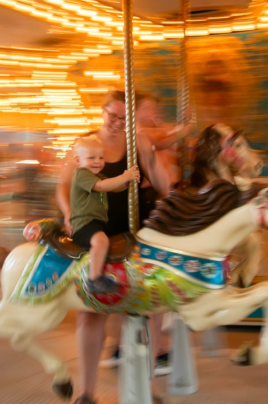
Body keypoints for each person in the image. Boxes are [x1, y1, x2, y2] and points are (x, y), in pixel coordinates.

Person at [56, 91, 172, 404]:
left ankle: (148, 388)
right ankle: (87, 391)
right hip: (96, 231)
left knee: (146, 309)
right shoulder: (84, 145)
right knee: (91, 314)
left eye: (124, 118)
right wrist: (68, 213)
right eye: (113, 115)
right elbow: (63, 186)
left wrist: (149, 150)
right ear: (103, 112)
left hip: (130, 232)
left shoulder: (136, 141)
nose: (117, 122)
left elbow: (164, 185)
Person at [70, 135, 140, 294]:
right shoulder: (81, 174)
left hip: (95, 223)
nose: (97, 161)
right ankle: (94, 279)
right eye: (91, 157)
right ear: (78, 160)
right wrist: (124, 176)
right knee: (101, 241)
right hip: (84, 224)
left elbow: (114, 187)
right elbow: (102, 187)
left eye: (101, 157)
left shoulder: (98, 176)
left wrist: (127, 181)